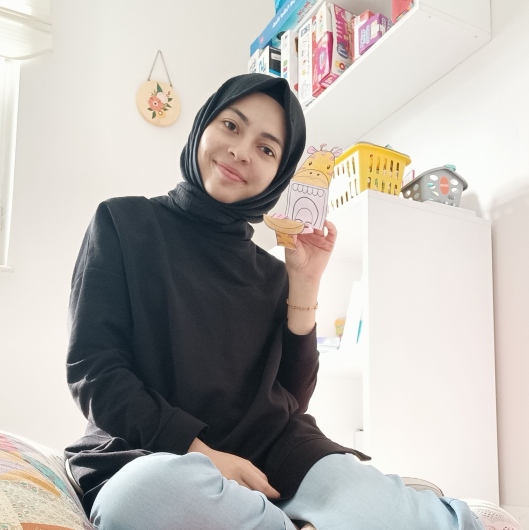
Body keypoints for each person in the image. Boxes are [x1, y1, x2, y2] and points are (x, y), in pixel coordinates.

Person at [65, 73, 519, 530]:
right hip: (151, 451)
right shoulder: (123, 222)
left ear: (279, 173)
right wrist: (201, 454)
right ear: (203, 126)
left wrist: (304, 284)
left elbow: (291, 400)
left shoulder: (272, 271)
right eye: (231, 126)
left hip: (277, 456)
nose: (242, 151)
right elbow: (94, 370)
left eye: (266, 149)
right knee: (142, 499)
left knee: (385, 507)